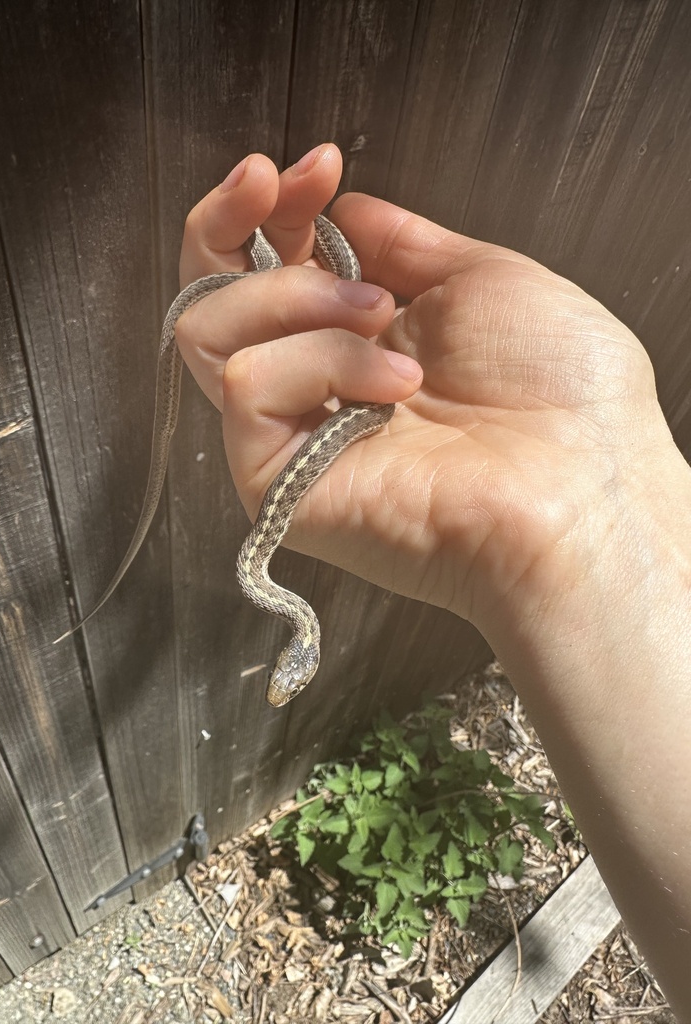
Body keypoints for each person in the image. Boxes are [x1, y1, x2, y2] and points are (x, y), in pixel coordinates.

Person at [176, 143, 691, 1015]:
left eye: (285, 682)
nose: (286, 685)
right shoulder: (269, 571)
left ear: (298, 649)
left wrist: (589, 522)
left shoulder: (274, 568)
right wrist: (580, 542)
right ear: (298, 648)